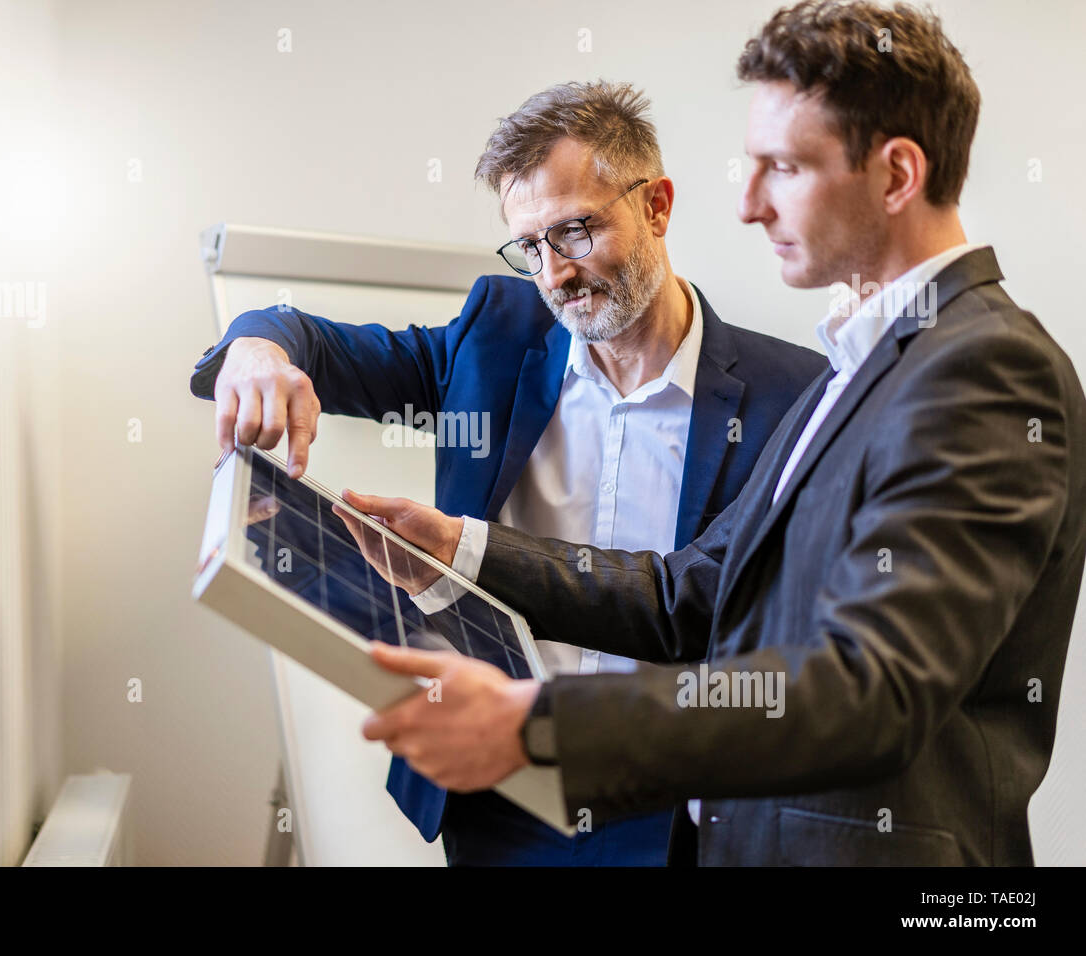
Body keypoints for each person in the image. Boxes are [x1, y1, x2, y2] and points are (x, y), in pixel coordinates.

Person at [342, 0, 1086, 865]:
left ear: (895, 176)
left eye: (782, 168)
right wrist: (462, 547)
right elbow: (683, 594)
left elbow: (869, 689)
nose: (746, 205)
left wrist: (541, 725)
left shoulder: (985, 370)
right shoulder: (856, 369)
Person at [189, 80, 826, 864]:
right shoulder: (492, 339)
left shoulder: (794, 395)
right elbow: (307, 338)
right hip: (498, 790)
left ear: (657, 206)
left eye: (576, 232)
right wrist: (255, 352)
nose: (554, 274)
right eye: (530, 246)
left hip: (670, 813)